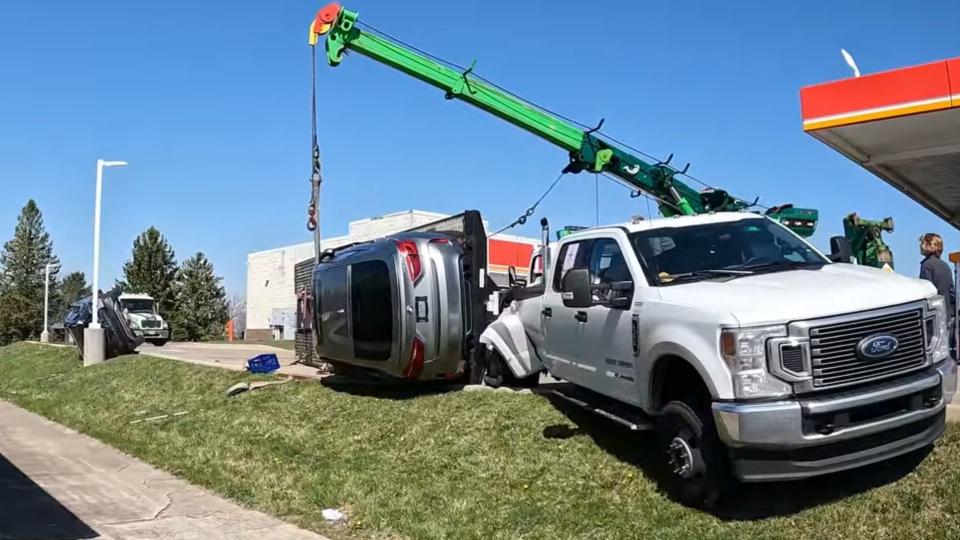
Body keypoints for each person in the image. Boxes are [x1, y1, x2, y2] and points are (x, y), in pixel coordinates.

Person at [919, 233, 956, 355]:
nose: (920, 245)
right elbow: (951, 292)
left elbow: (926, 291)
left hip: (933, 315)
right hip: (947, 312)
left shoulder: (927, 265)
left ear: (931, 246)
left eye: (923, 243)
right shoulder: (945, 266)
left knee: (933, 350)